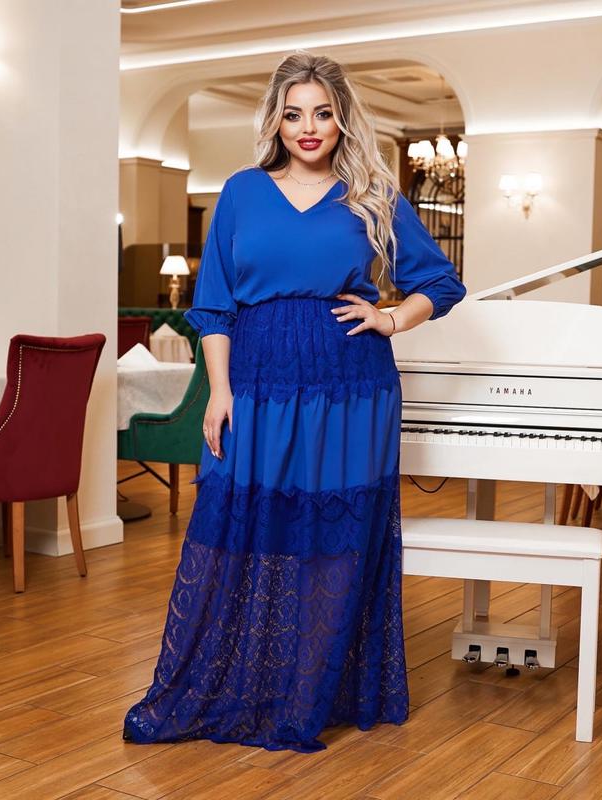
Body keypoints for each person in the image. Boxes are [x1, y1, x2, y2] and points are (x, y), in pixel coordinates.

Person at [122, 50, 466, 755]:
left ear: (342, 121)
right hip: (256, 378)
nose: (308, 127)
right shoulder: (242, 192)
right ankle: (244, 682)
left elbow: (440, 281)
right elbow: (214, 305)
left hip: (349, 386)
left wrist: (391, 318)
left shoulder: (371, 193)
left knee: (333, 537)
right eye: (293, 113)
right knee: (243, 523)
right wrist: (218, 391)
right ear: (275, 121)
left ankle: (312, 692)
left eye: (323, 113)